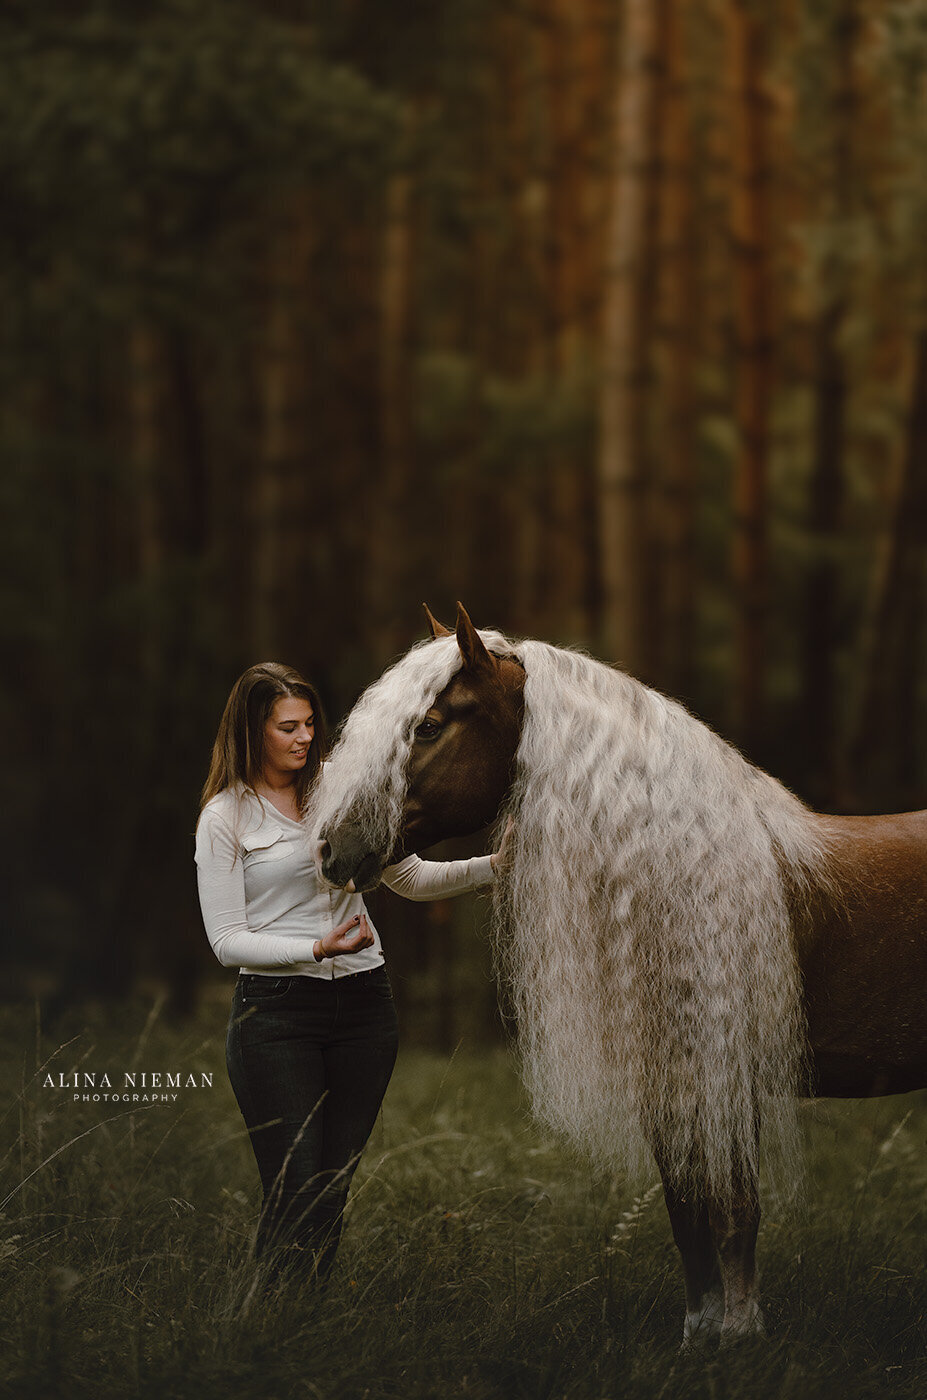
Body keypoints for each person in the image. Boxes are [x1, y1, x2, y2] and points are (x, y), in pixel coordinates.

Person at [195, 661, 505, 1288]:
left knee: (332, 1185)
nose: (305, 738)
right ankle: (267, 1318)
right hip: (276, 1017)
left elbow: (410, 878)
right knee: (297, 1183)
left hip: (365, 1008)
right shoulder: (225, 818)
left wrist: (500, 864)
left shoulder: (339, 791)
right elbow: (228, 942)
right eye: (288, 727)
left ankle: (303, 1317)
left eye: (310, 723)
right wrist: (316, 947)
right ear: (253, 732)